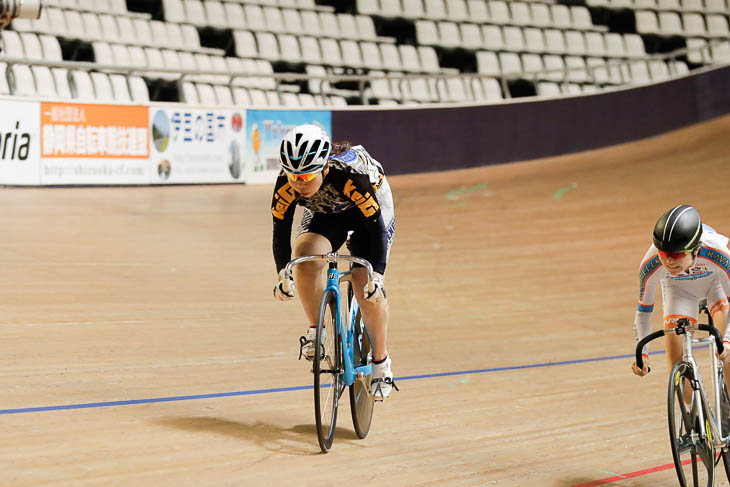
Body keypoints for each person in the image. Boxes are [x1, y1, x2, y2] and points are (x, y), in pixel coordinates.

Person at [271, 124, 397, 400]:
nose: (298, 184)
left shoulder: (353, 179)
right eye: (293, 176)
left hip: (369, 213)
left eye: (305, 176)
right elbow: (280, 231)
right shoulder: (287, 185)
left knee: (365, 284)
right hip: (327, 213)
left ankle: (381, 362)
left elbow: (376, 231)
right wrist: (283, 273)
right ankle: (316, 331)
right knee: (304, 259)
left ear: (324, 167)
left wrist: (377, 276)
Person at [632, 205, 730, 390]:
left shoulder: (717, 252)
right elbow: (644, 311)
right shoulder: (650, 263)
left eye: (676, 254)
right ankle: (696, 413)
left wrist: (726, 341)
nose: (669, 260)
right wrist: (642, 354)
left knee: (727, 354)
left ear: (696, 249)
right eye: (664, 254)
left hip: (714, 285)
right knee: (677, 372)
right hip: (679, 291)